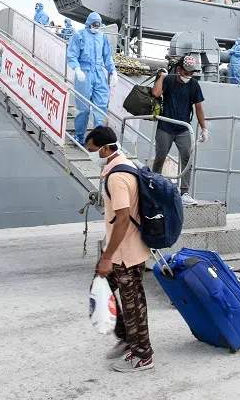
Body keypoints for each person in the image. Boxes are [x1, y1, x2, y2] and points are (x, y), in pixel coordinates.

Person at [87, 125, 154, 373]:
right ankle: (127, 338)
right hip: (122, 249)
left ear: (105, 149)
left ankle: (143, 355)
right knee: (101, 287)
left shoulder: (117, 177)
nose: (90, 152)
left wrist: (106, 257)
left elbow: (123, 218)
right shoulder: (125, 164)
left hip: (125, 253)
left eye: (92, 149)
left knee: (133, 304)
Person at [151, 55, 207, 204]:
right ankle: (153, 187)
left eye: (192, 73)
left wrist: (204, 128)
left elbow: (199, 107)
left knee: (187, 158)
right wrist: (162, 77)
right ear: (180, 69)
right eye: (187, 72)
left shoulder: (194, 85)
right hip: (165, 127)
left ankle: (185, 193)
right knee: (160, 156)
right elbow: (156, 93)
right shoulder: (169, 80)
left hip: (183, 128)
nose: (189, 75)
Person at [67, 12, 116, 145]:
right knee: (84, 107)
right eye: (94, 25)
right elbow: (72, 54)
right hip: (84, 73)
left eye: (98, 25)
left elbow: (107, 57)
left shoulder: (103, 37)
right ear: (89, 24)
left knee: (101, 107)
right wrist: (77, 69)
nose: (96, 27)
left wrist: (113, 71)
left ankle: (99, 139)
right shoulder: (79, 35)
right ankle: (80, 135)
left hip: (99, 73)